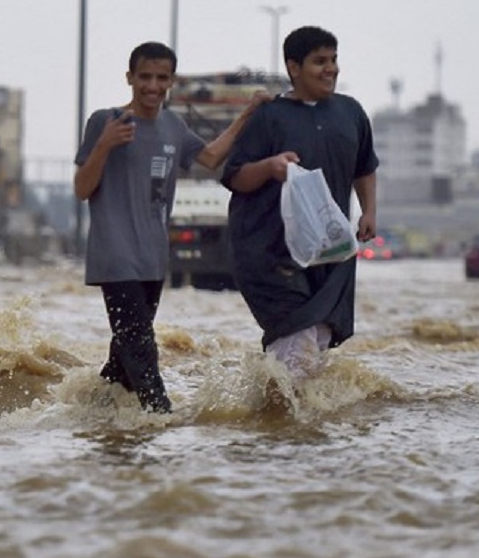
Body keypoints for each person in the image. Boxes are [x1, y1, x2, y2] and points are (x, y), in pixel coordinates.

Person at [74, 41, 265, 413]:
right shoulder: (105, 121)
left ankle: (92, 416)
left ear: (171, 82)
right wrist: (104, 146)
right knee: (142, 348)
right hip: (115, 258)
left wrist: (248, 114)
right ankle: (162, 422)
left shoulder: (172, 126)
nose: (152, 86)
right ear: (129, 77)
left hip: (153, 259)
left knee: (124, 359)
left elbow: (210, 158)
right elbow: (83, 188)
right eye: (144, 76)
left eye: (161, 78)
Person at [219, 25, 378, 386]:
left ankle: (285, 425)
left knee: (318, 338)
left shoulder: (350, 113)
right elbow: (236, 177)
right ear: (294, 68)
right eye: (319, 61)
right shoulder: (269, 117)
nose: (331, 69)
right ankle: (284, 429)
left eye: (334, 60)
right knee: (297, 337)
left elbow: (365, 167)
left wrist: (369, 211)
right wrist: (270, 167)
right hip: (270, 252)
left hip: (330, 251)